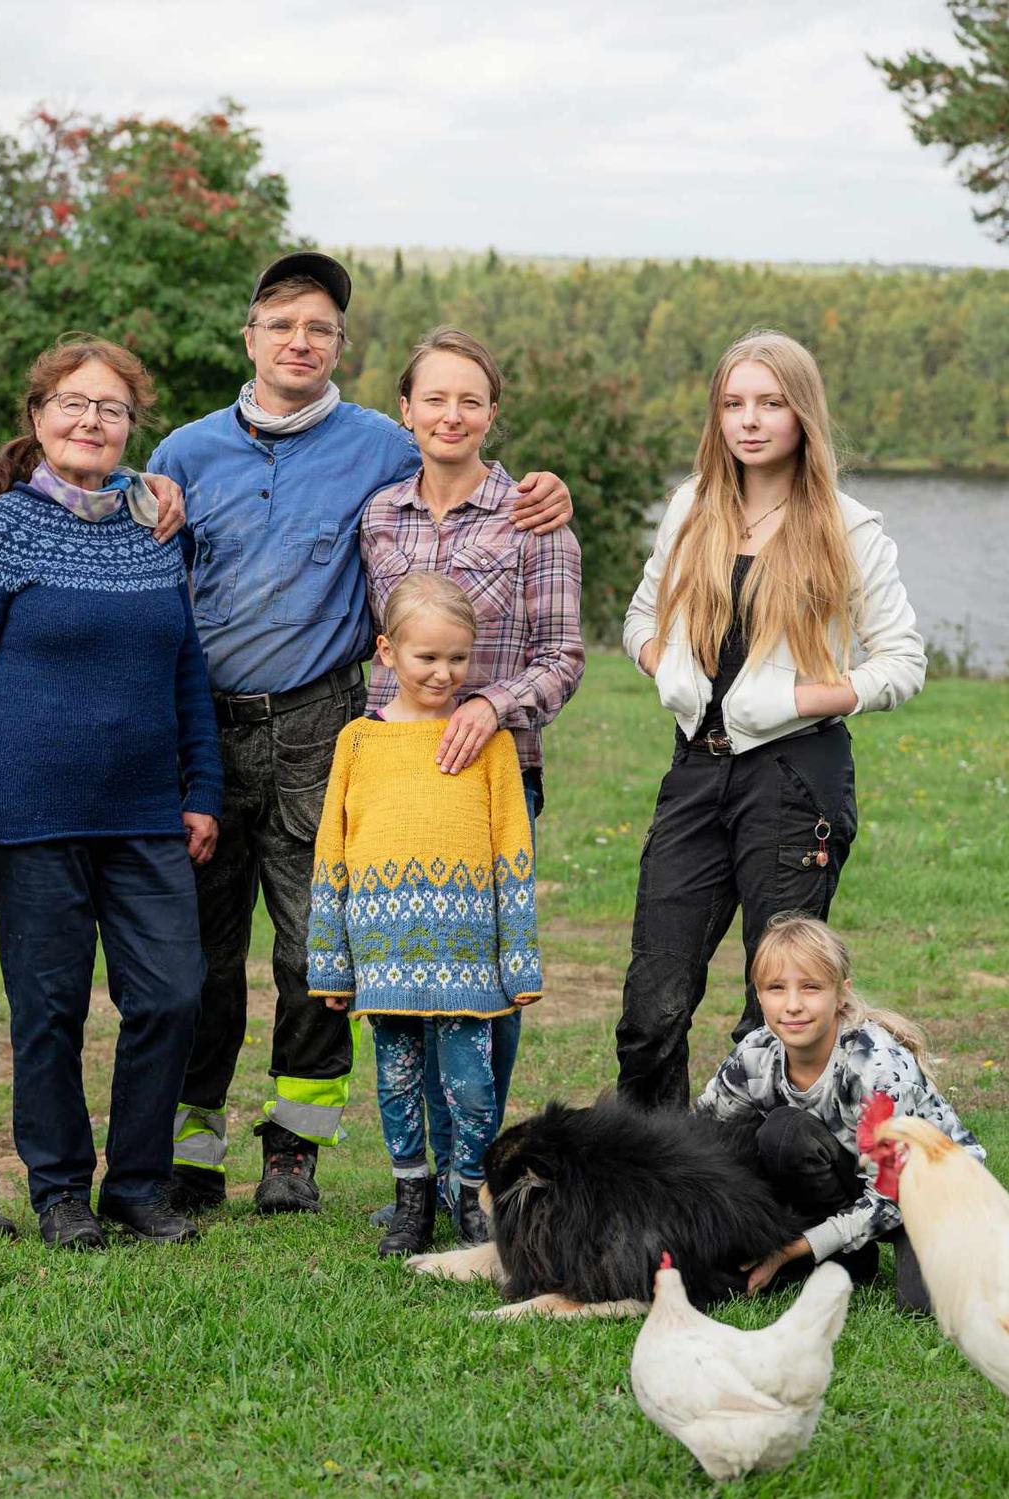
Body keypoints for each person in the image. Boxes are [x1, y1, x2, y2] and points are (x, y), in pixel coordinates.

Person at [147, 251, 572, 1216]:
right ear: (248, 338)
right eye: (281, 325)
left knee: (314, 948)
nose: (300, 342)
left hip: (318, 723)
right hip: (204, 727)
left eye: (321, 329)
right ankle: (191, 1144)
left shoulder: (378, 445)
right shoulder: (182, 453)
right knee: (196, 953)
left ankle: (293, 1150)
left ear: (342, 345)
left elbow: (460, 460)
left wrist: (545, 492)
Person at [0, 337, 221, 1251]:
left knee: (172, 996)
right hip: (31, 821)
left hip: (144, 815)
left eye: (110, 409)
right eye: (72, 403)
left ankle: (137, 1187)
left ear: (133, 428)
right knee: (48, 1012)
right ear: (37, 418)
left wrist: (201, 787)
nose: (90, 421)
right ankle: (59, 1190)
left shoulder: (153, 526)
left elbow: (185, 670)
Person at [617, 330, 925, 1109]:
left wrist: (794, 699)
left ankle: (755, 1186)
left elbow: (901, 661)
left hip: (792, 783)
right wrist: (672, 668)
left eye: (769, 403)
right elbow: (639, 617)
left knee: (772, 1011)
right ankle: (656, 1182)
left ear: (802, 415)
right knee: (651, 1006)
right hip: (696, 768)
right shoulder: (691, 505)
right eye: (732, 403)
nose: (748, 421)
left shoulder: (846, 528)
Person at [357, 328, 584, 1224]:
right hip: (395, 780)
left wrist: (492, 706)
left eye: (470, 400)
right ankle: (412, 1178)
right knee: (402, 973)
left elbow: (562, 655)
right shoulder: (378, 516)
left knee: (482, 979)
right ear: (405, 410)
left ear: (492, 414)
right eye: (433, 398)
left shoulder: (531, 514)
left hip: (492, 774)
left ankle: (474, 1175)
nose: (451, 415)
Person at [306, 573, 541, 1253]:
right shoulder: (357, 741)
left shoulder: (488, 743)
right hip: (383, 954)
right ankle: (410, 1197)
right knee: (397, 1079)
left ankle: (471, 1196)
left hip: (467, 956)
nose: (442, 673)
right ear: (386, 652)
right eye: (425, 657)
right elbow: (332, 851)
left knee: (471, 1084)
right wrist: (331, 962)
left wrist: (518, 955)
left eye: (457, 659)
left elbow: (511, 854)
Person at [699, 915, 973, 1314]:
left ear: (840, 993)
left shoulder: (874, 1064)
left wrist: (788, 1249)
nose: (792, 1005)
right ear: (758, 995)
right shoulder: (755, 1055)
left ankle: (826, 1246)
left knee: (925, 1305)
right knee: (782, 1134)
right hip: (853, 1181)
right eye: (776, 988)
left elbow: (893, 1194)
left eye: (811, 987)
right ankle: (849, 1257)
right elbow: (703, 1133)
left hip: (924, 1190)